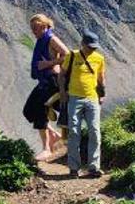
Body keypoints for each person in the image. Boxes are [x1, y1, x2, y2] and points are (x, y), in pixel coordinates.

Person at [57, 30, 106, 177]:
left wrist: (102, 94)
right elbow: (61, 76)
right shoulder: (72, 56)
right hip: (74, 98)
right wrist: (63, 93)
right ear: (82, 44)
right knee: (74, 132)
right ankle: (73, 168)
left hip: (92, 99)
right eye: (89, 46)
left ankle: (94, 167)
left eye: (94, 47)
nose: (92, 49)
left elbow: (101, 78)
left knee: (95, 131)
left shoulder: (99, 59)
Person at [22, 14, 69, 160]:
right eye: (32, 28)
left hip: (52, 81)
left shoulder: (51, 39)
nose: (33, 31)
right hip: (43, 81)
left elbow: (67, 55)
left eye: (35, 28)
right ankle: (55, 136)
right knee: (29, 110)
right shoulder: (41, 40)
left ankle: (46, 148)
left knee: (40, 110)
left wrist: (48, 64)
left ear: (43, 26)